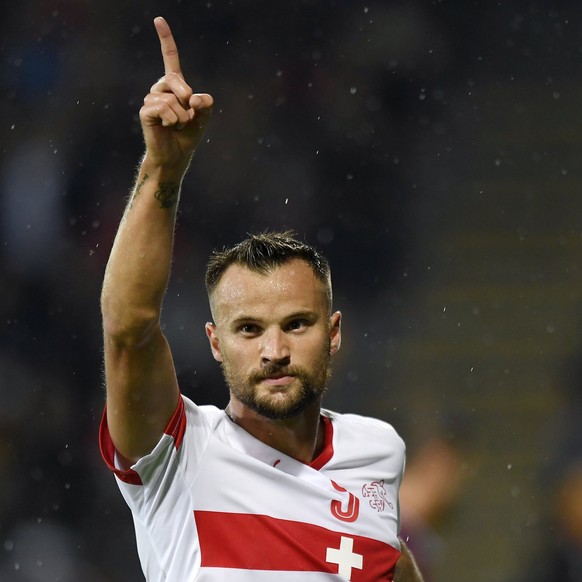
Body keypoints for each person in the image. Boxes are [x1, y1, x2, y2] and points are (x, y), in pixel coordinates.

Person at [99, 16, 424, 582]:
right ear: (215, 343)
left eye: (296, 323)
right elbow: (129, 328)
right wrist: (163, 168)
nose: (273, 349)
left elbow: (388, 561)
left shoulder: (378, 451)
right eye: (248, 329)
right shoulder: (176, 454)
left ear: (336, 330)